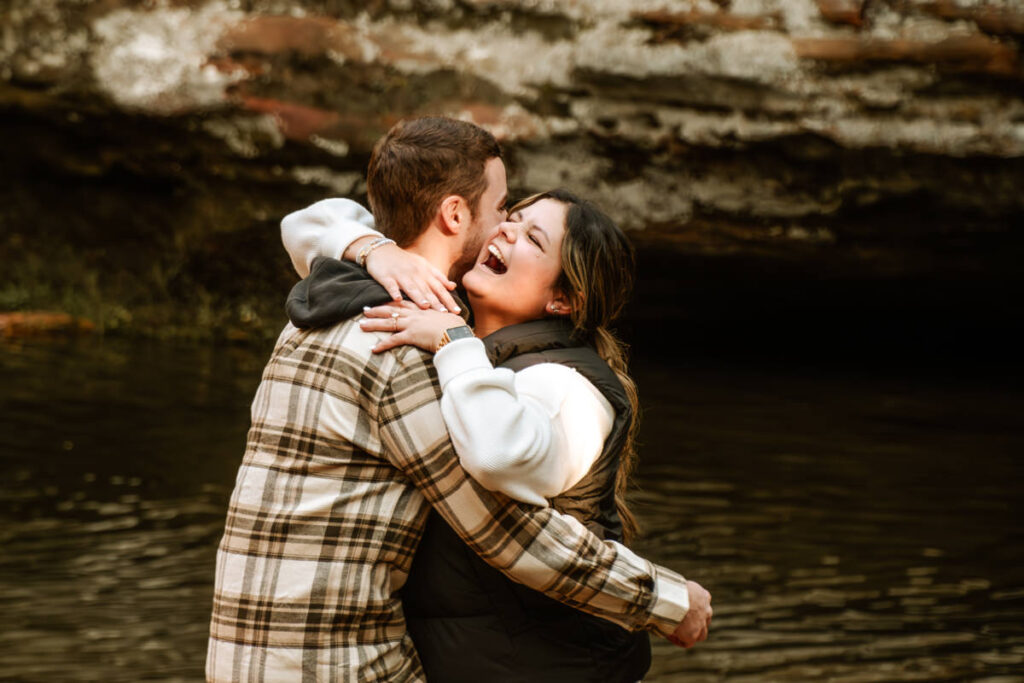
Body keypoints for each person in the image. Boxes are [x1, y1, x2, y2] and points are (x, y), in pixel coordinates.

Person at [207, 117, 711, 683]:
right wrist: (667, 601)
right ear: (454, 214)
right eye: (503, 210)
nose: (502, 228)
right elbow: (509, 532)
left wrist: (372, 250)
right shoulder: (401, 346)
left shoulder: (313, 308)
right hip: (335, 664)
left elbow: (310, 223)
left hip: (238, 651)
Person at [284, 187, 683, 681]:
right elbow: (307, 223)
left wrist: (454, 340)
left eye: (533, 239)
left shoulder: (569, 386)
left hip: (557, 667)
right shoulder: (450, 317)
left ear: (562, 299)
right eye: (511, 217)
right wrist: (379, 252)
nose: (507, 230)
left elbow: (496, 454)